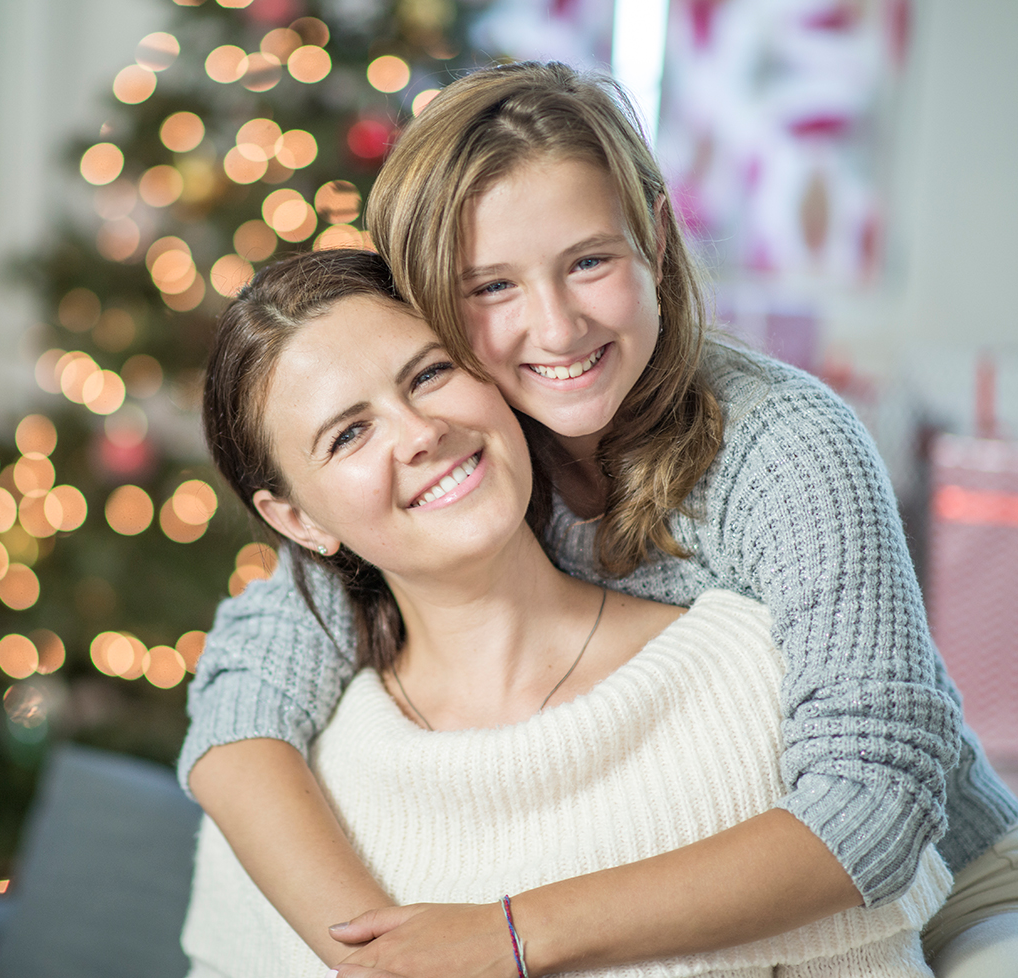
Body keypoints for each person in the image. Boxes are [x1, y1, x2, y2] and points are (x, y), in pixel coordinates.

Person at [180, 63, 1018, 976]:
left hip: (962, 881)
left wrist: (506, 934)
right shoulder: (467, 444)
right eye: (490, 287)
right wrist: (380, 949)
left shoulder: (783, 443)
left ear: (654, 242)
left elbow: (877, 797)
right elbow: (240, 709)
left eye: (587, 262)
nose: (557, 328)